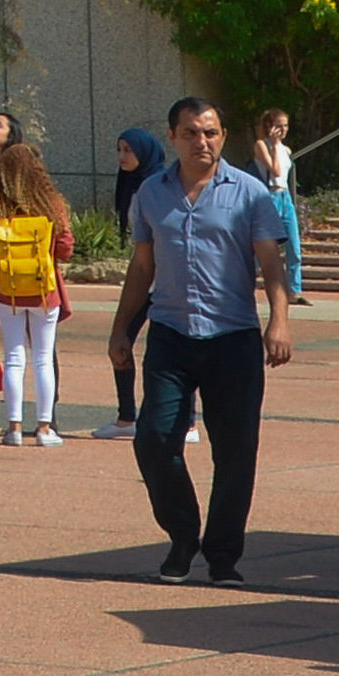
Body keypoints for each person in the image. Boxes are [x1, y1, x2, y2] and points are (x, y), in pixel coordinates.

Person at [114, 97, 294, 585]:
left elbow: (271, 264)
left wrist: (278, 322)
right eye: (192, 133)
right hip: (171, 335)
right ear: (173, 137)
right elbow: (142, 268)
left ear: (223, 136)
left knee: (235, 451)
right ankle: (182, 535)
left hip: (232, 338)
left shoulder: (250, 193)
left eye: (211, 132)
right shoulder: (151, 193)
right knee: (154, 439)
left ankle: (222, 554)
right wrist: (121, 329)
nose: (202, 142)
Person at [0, 138, 76, 447]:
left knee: (13, 358)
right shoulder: (50, 203)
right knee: (43, 359)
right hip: (44, 291)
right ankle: (44, 428)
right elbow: (66, 247)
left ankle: (13, 428)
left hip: (8, 291)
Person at [96, 126, 162, 439]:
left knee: (174, 350)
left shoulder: (160, 186)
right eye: (119, 149)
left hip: (167, 281)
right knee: (119, 341)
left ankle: (188, 421)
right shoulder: (131, 184)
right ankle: (126, 418)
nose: (122, 156)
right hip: (144, 280)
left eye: (128, 150)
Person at [252, 109, 304, 304]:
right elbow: (275, 171)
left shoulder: (286, 149)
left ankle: (294, 291)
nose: (283, 130)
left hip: (285, 197)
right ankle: (247, 284)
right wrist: (273, 146)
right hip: (269, 196)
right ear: (269, 127)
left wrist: (278, 147)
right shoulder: (261, 145)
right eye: (279, 126)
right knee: (264, 246)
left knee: (294, 246)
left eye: (286, 126)